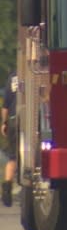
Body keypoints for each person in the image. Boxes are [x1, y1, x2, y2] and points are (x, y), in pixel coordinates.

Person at [1, 71, 18, 207]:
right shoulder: (40, 73)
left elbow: (6, 104)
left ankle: (7, 187)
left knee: (13, 157)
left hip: (13, 120)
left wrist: (4, 123)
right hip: (33, 120)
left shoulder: (13, 77)